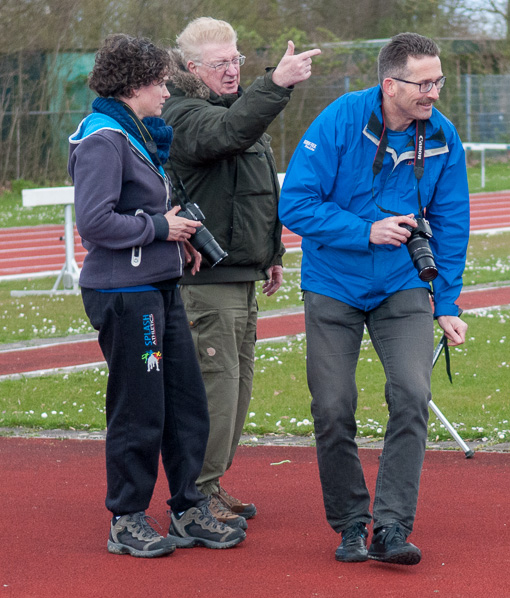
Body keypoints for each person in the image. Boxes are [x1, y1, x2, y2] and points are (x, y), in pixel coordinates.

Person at [278, 32, 470, 565]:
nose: (433, 91)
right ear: (390, 84)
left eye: (439, 80)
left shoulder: (443, 136)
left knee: (411, 392)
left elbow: (452, 223)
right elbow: (295, 204)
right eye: (424, 82)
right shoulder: (339, 120)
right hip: (333, 284)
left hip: (402, 284)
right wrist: (365, 230)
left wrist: (447, 302)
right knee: (333, 406)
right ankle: (350, 524)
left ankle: (391, 526)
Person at [69, 33, 245, 558]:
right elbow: (95, 222)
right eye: (161, 83)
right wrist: (160, 229)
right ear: (134, 86)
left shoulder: (136, 133)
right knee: (138, 408)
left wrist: (179, 245)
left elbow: (150, 214)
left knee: (187, 403)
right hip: (125, 295)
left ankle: (188, 507)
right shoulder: (104, 137)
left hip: (159, 285)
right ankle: (125, 519)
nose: (167, 91)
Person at [161, 17, 321, 529]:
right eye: (221, 63)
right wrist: (274, 84)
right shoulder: (182, 113)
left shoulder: (232, 110)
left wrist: (270, 252)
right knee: (216, 391)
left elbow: (255, 192)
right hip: (204, 285)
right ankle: (193, 496)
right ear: (192, 68)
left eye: (236, 60)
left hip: (240, 276)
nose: (233, 70)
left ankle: (210, 483)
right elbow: (227, 136)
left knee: (238, 388)